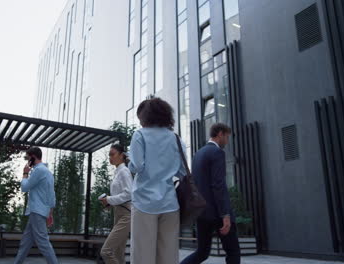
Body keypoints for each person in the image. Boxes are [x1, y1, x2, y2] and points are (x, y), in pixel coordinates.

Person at [128, 97, 186, 264]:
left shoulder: (139, 135)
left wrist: (129, 162)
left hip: (144, 202)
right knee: (168, 257)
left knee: (142, 257)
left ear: (145, 117)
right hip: (170, 203)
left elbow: (137, 166)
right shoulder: (175, 138)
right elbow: (183, 172)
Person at [180, 123, 241, 264]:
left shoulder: (198, 154)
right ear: (220, 134)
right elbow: (218, 185)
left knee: (202, 252)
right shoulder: (217, 153)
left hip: (201, 212)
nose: (227, 140)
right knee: (233, 252)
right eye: (226, 137)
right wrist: (225, 215)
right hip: (218, 212)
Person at [14, 147, 58, 264]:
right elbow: (51, 194)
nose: (27, 161)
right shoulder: (47, 172)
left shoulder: (38, 171)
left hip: (36, 211)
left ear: (33, 157)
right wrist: (50, 212)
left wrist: (25, 173)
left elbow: (24, 187)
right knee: (26, 242)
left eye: (28, 158)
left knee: (43, 243)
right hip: (39, 211)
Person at [99, 144, 133, 264]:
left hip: (126, 214)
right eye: (109, 155)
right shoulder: (118, 171)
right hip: (119, 213)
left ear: (122, 155)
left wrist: (108, 199)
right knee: (118, 253)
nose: (110, 157)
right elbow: (121, 195)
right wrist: (109, 203)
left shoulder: (124, 171)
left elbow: (129, 194)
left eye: (112, 154)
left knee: (106, 251)